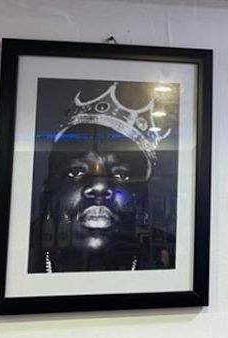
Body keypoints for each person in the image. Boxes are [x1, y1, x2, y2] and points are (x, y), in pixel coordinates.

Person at [28, 82, 174, 272]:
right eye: (75, 172)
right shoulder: (22, 251)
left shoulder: (164, 258)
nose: (99, 186)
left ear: (143, 204)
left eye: (121, 174)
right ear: (47, 193)